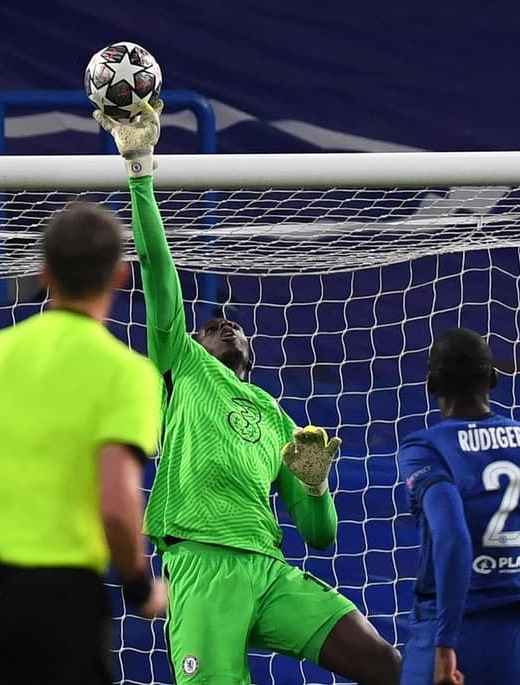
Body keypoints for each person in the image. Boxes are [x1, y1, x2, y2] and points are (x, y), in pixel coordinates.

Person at [95, 101, 401, 685]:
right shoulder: (181, 366)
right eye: (210, 324)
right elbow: (161, 277)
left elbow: (321, 536)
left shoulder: (278, 420)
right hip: (204, 562)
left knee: (385, 663)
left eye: (232, 326)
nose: (224, 324)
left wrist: (316, 482)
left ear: (251, 359)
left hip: (271, 570)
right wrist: (140, 172)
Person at [0, 202, 167, 685]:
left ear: (44, 273)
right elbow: (118, 507)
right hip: (59, 596)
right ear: (121, 276)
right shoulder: (125, 373)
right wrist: (140, 586)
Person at [398, 328, 520, 685]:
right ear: (493, 378)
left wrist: (446, 644)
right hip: (516, 645)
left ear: (431, 384)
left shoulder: (425, 449)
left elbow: (452, 538)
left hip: (446, 632)